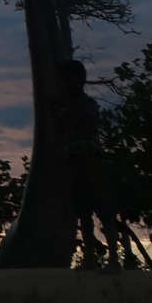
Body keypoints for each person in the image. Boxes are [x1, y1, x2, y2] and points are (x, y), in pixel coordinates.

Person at [56, 58, 121, 268]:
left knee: (104, 210)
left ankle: (113, 259)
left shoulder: (88, 104)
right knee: (82, 211)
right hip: (73, 162)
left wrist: (64, 111)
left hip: (91, 161)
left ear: (80, 80)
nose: (65, 84)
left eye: (68, 79)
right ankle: (90, 258)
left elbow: (83, 120)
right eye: (63, 80)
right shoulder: (65, 108)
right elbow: (61, 130)